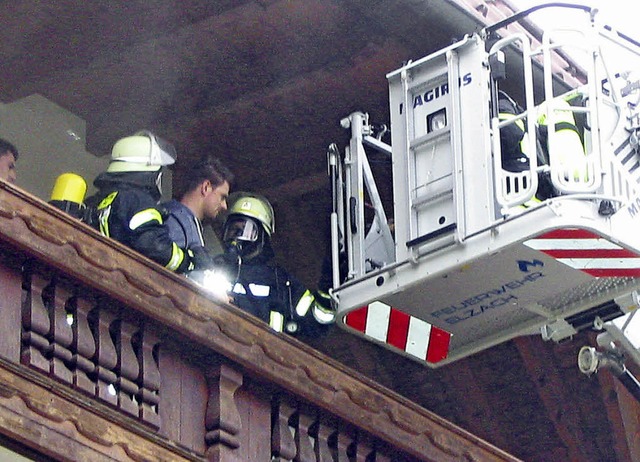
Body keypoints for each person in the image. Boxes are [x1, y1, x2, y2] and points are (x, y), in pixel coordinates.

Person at [84, 130, 211, 273]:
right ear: (150, 172)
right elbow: (153, 245)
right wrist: (190, 261)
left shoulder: (97, 200)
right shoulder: (138, 200)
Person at [214, 192, 335, 337]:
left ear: (262, 238)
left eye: (247, 231)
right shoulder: (214, 269)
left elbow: (317, 323)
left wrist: (326, 287)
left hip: (261, 355)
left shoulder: (283, 284)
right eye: (233, 230)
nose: (237, 238)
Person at [162, 155, 234, 250]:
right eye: (222, 197)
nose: (224, 206)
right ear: (206, 187)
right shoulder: (180, 224)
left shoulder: (173, 216)